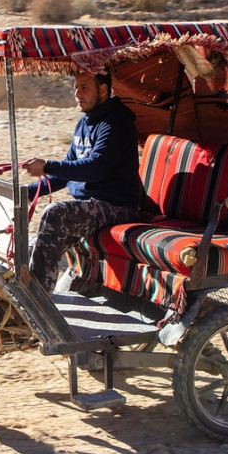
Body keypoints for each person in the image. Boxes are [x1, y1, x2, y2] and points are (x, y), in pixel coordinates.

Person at [22, 71, 147, 293]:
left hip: (117, 208)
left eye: (84, 88)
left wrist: (47, 166)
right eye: (76, 88)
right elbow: (68, 171)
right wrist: (29, 193)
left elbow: (94, 169)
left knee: (55, 213)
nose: (77, 94)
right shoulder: (84, 122)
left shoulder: (116, 122)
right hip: (92, 207)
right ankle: (20, 297)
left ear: (103, 90)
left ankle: (39, 300)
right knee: (31, 247)